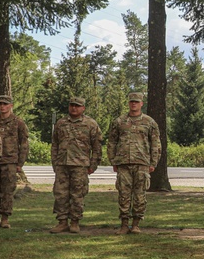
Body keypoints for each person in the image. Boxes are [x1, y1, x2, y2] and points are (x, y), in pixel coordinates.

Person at [108, 92, 161, 235]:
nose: (134, 104)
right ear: (128, 103)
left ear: (141, 104)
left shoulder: (149, 122)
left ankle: (136, 224)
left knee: (140, 195)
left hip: (142, 163)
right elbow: (112, 142)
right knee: (123, 195)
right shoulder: (119, 121)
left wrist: (153, 162)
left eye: (136, 102)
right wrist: (113, 160)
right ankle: (124, 224)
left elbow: (155, 144)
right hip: (123, 163)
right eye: (132, 101)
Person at [50, 97, 102, 234]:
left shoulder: (90, 124)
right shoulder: (61, 123)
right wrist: (54, 162)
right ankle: (62, 222)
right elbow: (55, 144)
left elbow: (97, 147)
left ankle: (74, 222)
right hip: (62, 163)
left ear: (83, 108)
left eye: (77, 106)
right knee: (60, 194)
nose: (74, 108)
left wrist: (93, 164)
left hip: (80, 165)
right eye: (72, 105)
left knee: (77, 194)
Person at [0, 95, 29, 229]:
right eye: (0, 104)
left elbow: (24, 144)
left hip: (10, 161)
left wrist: (20, 163)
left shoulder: (18, 122)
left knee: (7, 191)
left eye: (5, 104)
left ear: (11, 105)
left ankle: (5, 218)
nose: (2, 106)